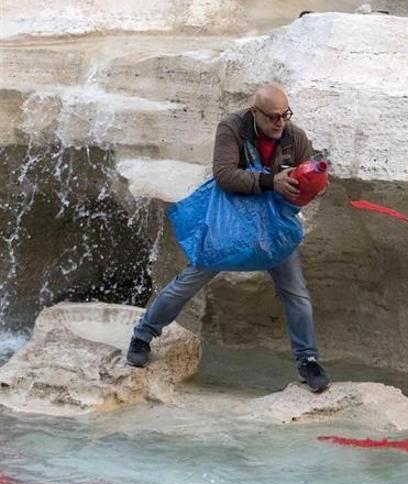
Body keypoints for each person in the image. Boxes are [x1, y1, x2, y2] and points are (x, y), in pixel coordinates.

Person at [126, 84, 330, 393]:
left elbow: (303, 177)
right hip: (230, 222)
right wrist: (269, 181)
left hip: (273, 228)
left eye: (285, 115)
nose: (280, 123)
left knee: (296, 292)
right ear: (254, 112)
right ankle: (142, 335)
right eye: (273, 117)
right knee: (189, 281)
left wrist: (312, 186)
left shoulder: (295, 137)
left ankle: (308, 360)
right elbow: (224, 175)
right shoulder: (232, 128)